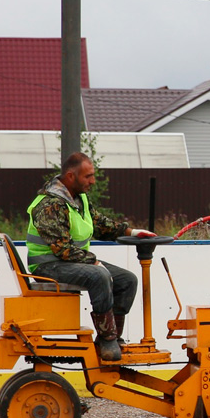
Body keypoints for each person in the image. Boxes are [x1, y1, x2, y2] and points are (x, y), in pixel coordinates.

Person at [26, 152, 153, 361]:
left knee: (127, 280)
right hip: (49, 266)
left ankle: (111, 338)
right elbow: (62, 249)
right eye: (88, 177)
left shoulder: (79, 199)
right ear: (70, 176)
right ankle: (108, 340)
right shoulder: (50, 204)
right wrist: (94, 262)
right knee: (99, 276)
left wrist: (132, 232)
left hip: (72, 261)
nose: (93, 181)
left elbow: (100, 225)